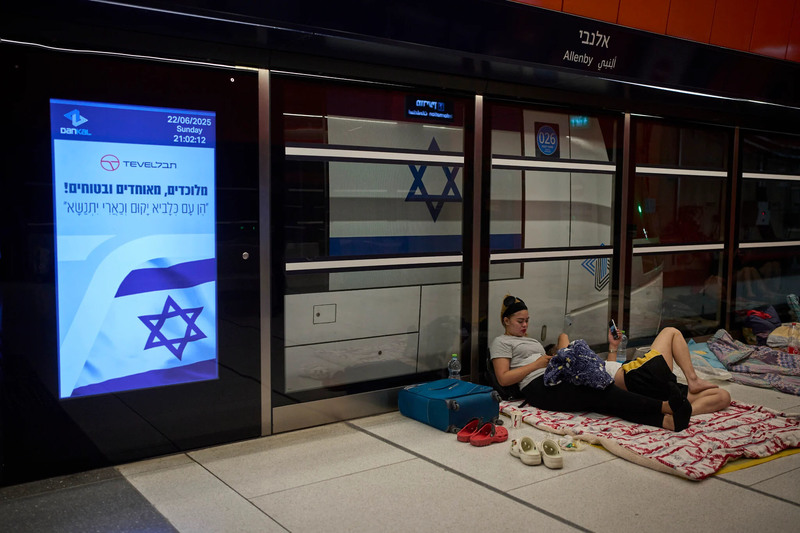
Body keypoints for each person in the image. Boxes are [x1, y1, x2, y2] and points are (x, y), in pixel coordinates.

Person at [490, 295, 692, 431]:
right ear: (506, 321)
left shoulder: (531, 341)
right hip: (538, 387)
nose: (525, 325)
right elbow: (504, 378)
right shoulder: (501, 342)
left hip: (552, 376)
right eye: (520, 321)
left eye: (527, 320)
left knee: (603, 398)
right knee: (602, 392)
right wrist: (536, 365)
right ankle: (664, 407)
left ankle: (666, 421)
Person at [604, 326, 731, 416]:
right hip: (638, 379)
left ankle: (683, 412)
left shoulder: (601, 371)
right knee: (671, 332)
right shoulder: (594, 368)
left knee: (723, 396)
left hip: (654, 392)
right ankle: (693, 379)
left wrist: (613, 346)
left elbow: (609, 368)